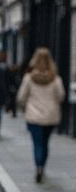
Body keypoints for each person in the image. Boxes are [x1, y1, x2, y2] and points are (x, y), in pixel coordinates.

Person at [16, 47, 66, 183]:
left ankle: (38, 167)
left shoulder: (29, 78)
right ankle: (42, 167)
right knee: (45, 143)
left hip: (34, 116)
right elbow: (61, 96)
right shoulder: (55, 79)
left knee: (37, 143)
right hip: (50, 116)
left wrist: (25, 106)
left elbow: (21, 97)